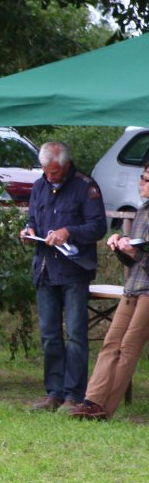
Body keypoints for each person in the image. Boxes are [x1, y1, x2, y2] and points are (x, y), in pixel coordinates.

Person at [20, 141, 106, 413]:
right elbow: (33, 218)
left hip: (73, 271)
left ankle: (74, 396)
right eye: (45, 170)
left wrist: (68, 231)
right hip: (45, 269)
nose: (49, 176)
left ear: (67, 165)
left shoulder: (86, 187)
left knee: (77, 334)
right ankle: (53, 393)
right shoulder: (39, 186)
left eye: (54, 172)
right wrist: (28, 229)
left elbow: (98, 226)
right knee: (49, 335)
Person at [70, 164, 149, 420]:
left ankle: (105, 408)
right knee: (110, 344)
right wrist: (119, 248)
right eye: (142, 177)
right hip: (133, 288)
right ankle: (91, 400)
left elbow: (141, 255)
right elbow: (133, 260)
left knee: (128, 348)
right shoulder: (142, 211)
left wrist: (135, 252)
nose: (142, 183)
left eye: (147, 180)